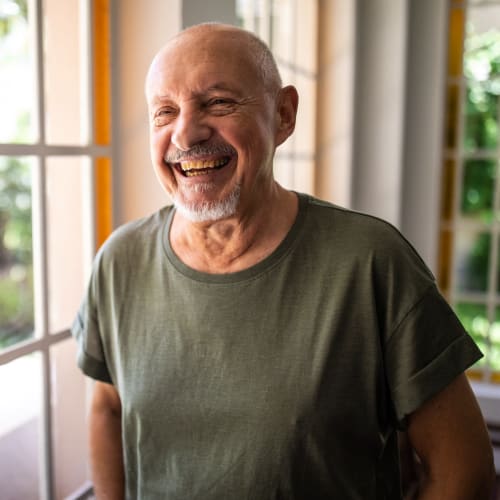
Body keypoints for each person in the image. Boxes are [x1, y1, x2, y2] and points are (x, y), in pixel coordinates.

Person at [72, 22, 495, 499]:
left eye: (218, 102)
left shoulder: (372, 261)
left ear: (284, 115)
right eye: (164, 112)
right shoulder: (119, 262)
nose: (186, 133)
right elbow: (107, 406)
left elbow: (467, 474)